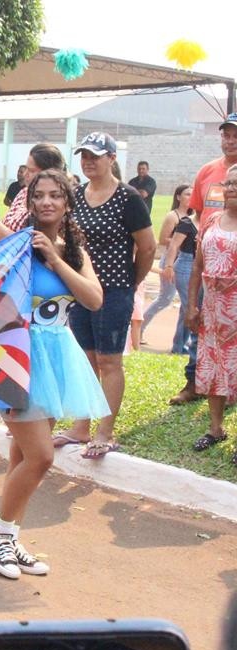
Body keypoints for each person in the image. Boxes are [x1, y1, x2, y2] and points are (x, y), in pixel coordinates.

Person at [0, 169, 107, 579]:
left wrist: (58, 259)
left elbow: (94, 299)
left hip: (57, 356)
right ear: (29, 203)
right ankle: (0, 534)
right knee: (42, 456)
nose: (46, 202)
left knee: (22, 454)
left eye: (55, 196)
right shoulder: (18, 244)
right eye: (38, 196)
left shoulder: (74, 251)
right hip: (15, 357)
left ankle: (11, 535)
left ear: (67, 203)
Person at [56, 132, 155, 459]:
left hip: (114, 292)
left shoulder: (128, 198)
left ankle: (105, 431)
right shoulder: (75, 195)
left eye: (95, 156)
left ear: (112, 158)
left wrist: (130, 282)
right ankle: (81, 427)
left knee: (109, 360)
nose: (88, 161)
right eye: (84, 155)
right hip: (81, 290)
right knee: (85, 358)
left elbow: (148, 247)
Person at [170, 113, 237, 405]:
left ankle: (231, 390)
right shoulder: (208, 171)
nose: (230, 140)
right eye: (226, 135)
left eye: (235, 135)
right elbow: (197, 214)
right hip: (207, 265)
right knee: (200, 325)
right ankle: (195, 382)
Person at [186, 163, 237, 463]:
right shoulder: (212, 220)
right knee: (214, 367)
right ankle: (215, 428)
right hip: (213, 309)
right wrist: (192, 305)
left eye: (236, 184)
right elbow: (197, 267)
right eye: (228, 183)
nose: (230, 188)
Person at [143, 185, 194, 352]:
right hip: (171, 260)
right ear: (178, 197)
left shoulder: (194, 216)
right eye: (187, 194)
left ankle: (182, 341)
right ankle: (139, 326)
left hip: (187, 260)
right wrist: (180, 240)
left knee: (187, 302)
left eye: (192, 194)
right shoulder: (173, 216)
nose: (190, 196)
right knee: (165, 298)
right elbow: (162, 239)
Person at [3, 144, 67, 232]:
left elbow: (25, 241)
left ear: (48, 173)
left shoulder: (50, 203)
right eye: (26, 169)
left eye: (31, 171)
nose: (25, 174)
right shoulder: (23, 193)